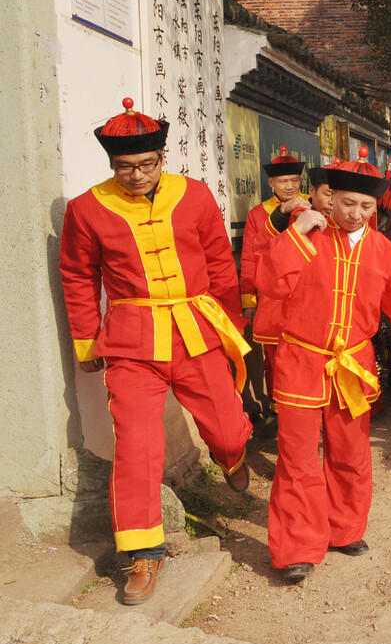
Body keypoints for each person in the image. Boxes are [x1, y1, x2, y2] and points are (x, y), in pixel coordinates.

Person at [59, 98, 253, 604]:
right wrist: (86, 339)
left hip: (195, 329)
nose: (137, 175)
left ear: (162, 157)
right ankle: (142, 554)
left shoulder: (194, 196)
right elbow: (78, 276)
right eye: (125, 168)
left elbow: (220, 264)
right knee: (138, 445)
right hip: (131, 339)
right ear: (111, 165)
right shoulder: (86, 209)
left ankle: (231, 457)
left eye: (147, 165)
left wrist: (230, 328)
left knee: (228, 425)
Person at [258, 157, 391, 582]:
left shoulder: (383, 252)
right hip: (301, 358)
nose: (356, 214)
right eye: (348, 203)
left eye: (366, 207)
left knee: (350, 453)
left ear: (376, 208)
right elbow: (270, 281)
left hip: (353, 361)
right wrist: (294, 234)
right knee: (297, 457)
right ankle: (297, 547)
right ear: (330, 199)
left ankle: (344, 528)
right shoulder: (307, 238)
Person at [241, 147, 310, 436]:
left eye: (295, 180)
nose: (291, 186)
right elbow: (249, 257)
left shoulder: (310, 207)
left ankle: (307, 408)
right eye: (284, 181)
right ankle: (278, 409)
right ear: (271, 183)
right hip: (272, 298)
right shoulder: (258, 214)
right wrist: (249, 300)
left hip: (306, 294)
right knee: (274, 357)